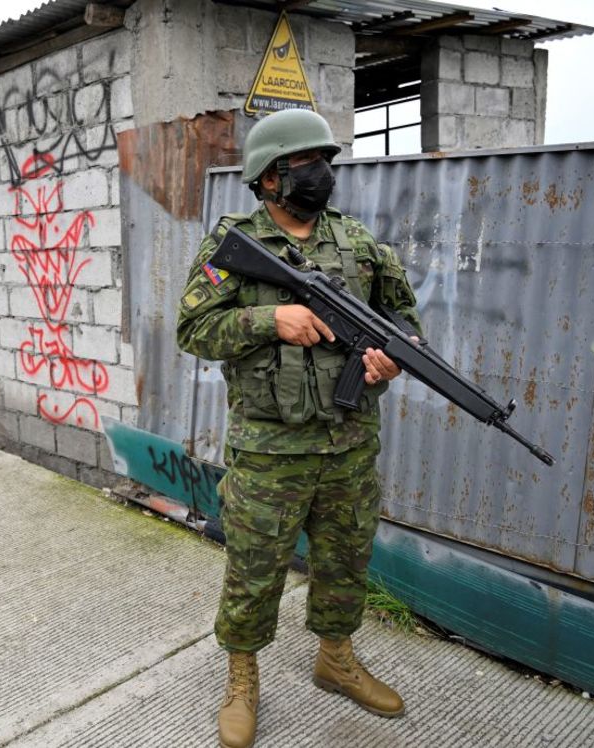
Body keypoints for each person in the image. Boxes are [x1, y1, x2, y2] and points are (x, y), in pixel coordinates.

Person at [175, 108, 423, 748]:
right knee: (254, 569)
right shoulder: (235, 245)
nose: (321, 174)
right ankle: (241, 679)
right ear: (267, 179)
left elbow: (404, 320)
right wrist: (270, 320)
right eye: (304, 164)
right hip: (268, 451)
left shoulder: (360, 243)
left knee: (344, 561)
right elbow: (192, 330)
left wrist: (393, 358)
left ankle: (335, 661)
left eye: (325, 162)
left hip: (347, 446)